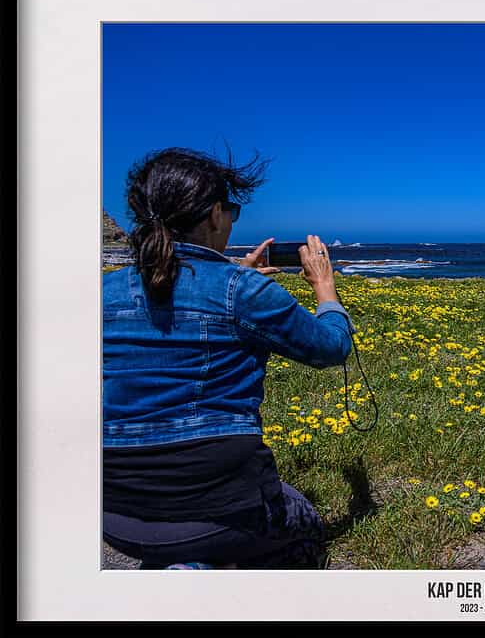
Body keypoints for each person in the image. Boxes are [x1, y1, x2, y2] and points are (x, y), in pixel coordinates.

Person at [102, 147, 356, 569]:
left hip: (116, 519)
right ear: (214, 215)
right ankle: (195, 569)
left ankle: (179, 565)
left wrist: (234, 274)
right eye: (232, 212)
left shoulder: (104, 295)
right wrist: (325, 289)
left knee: (180, 534)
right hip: (220, 507)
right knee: (304, 521)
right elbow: (331, 348)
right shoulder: (243, 291)